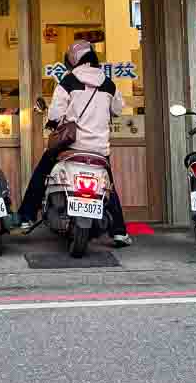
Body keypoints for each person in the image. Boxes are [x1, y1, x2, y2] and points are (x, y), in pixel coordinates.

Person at [15, 40, 129, 246]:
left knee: (42, 172)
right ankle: (119, 231)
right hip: (98, 151)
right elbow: (119, 109)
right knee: (108, 186)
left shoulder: (68, 81)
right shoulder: (108, 83)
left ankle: (26, 216)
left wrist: (55, 122)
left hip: (70, 147)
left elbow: (56, 114)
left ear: (73, 59)